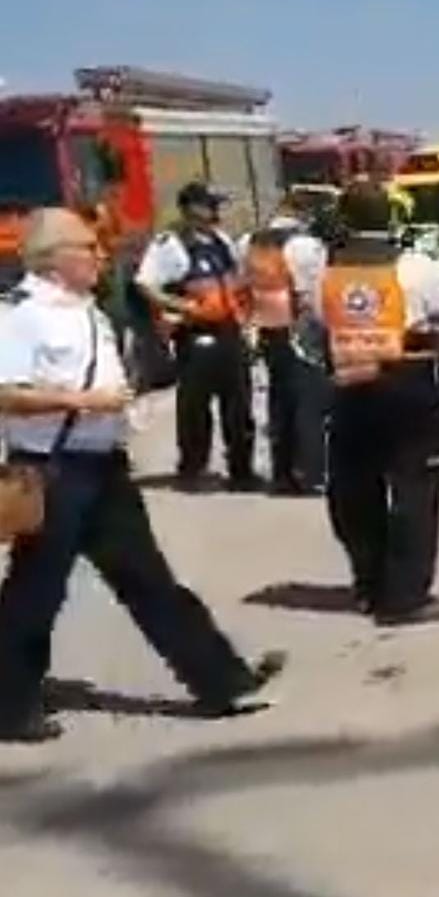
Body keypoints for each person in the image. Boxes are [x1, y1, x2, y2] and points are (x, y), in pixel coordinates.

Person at [0, 208, 284, 742]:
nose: (100, 256)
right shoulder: (20, 315)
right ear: (53, 258)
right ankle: (9, 706)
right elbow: (5, 393)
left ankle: (224, 682)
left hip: (103, 466)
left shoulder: (86, 308)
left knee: (149, 579)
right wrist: (83, 400)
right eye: (89, 247)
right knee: (35, 593)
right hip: (53, 471)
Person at [321, 183, 439, 626]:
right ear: (392, 219)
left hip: (349, 383)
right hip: (407, 382)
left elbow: (313, 327)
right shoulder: (418, 268)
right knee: (414, 492)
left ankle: (369, 583)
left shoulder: (328, 272)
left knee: (355, 490)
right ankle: (405, 596)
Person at [135, 182, 258, 492]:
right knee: (195, 405)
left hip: (229, 331)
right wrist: (185, 306)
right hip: (196, 334)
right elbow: (146, 284)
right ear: (192, 208)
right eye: (210, 205)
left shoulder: (221, 240)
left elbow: (235, 278)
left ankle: (241, 470)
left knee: (239, 404)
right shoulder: (170, 244)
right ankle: (193, 468)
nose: (217, 211)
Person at [242, 199, 329, 496]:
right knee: (309, 402)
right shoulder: (307, 246)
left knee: (279, 402)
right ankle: (309, 471)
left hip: (268, 329)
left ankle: (282, 472)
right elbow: (309, 297)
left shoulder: (253, 241)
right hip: (299, 332)